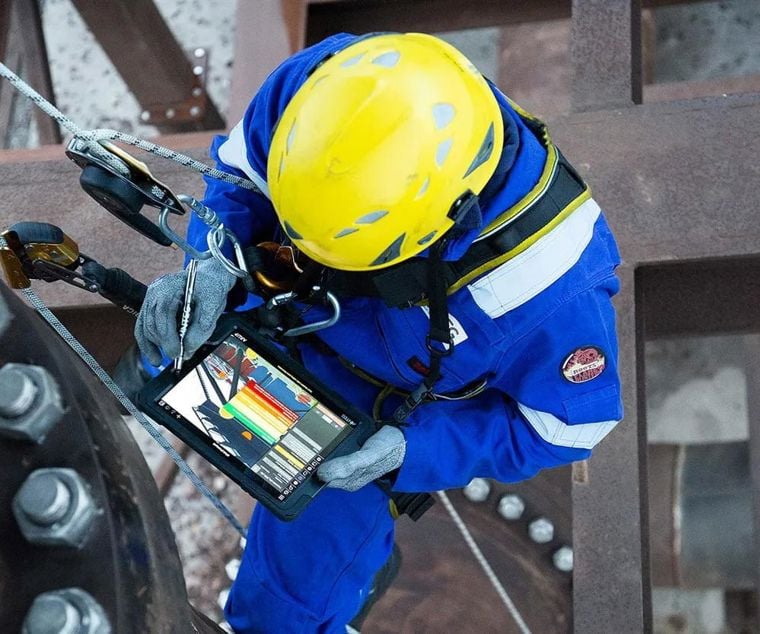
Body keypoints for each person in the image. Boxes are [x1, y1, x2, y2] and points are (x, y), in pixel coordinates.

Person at [135, 32, 622, 634]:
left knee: (287, 609)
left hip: (377, 412)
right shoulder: (326, 91)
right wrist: (215, 261)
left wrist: (414, 453)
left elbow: (570, 425)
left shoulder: (552, 290)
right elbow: (242, 174)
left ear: (444, 232)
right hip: (283, 287)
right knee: (164, 361)